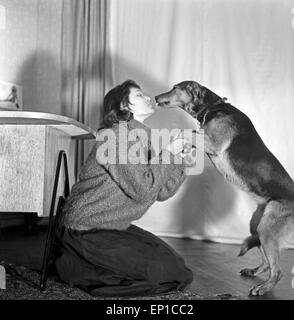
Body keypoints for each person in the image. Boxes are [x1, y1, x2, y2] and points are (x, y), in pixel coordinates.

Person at [54, 80, 194, 297]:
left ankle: (86, 266)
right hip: (84, 229)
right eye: (139, 95)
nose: (148, 98)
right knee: (166, 272)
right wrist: (169, 153)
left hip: (111, 225)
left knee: (178, 267)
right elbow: (144, 190)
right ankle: (76, 265)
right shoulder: (116, 136)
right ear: (124, 106)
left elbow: (161, 192)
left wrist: (180, 160)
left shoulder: (141, 138)